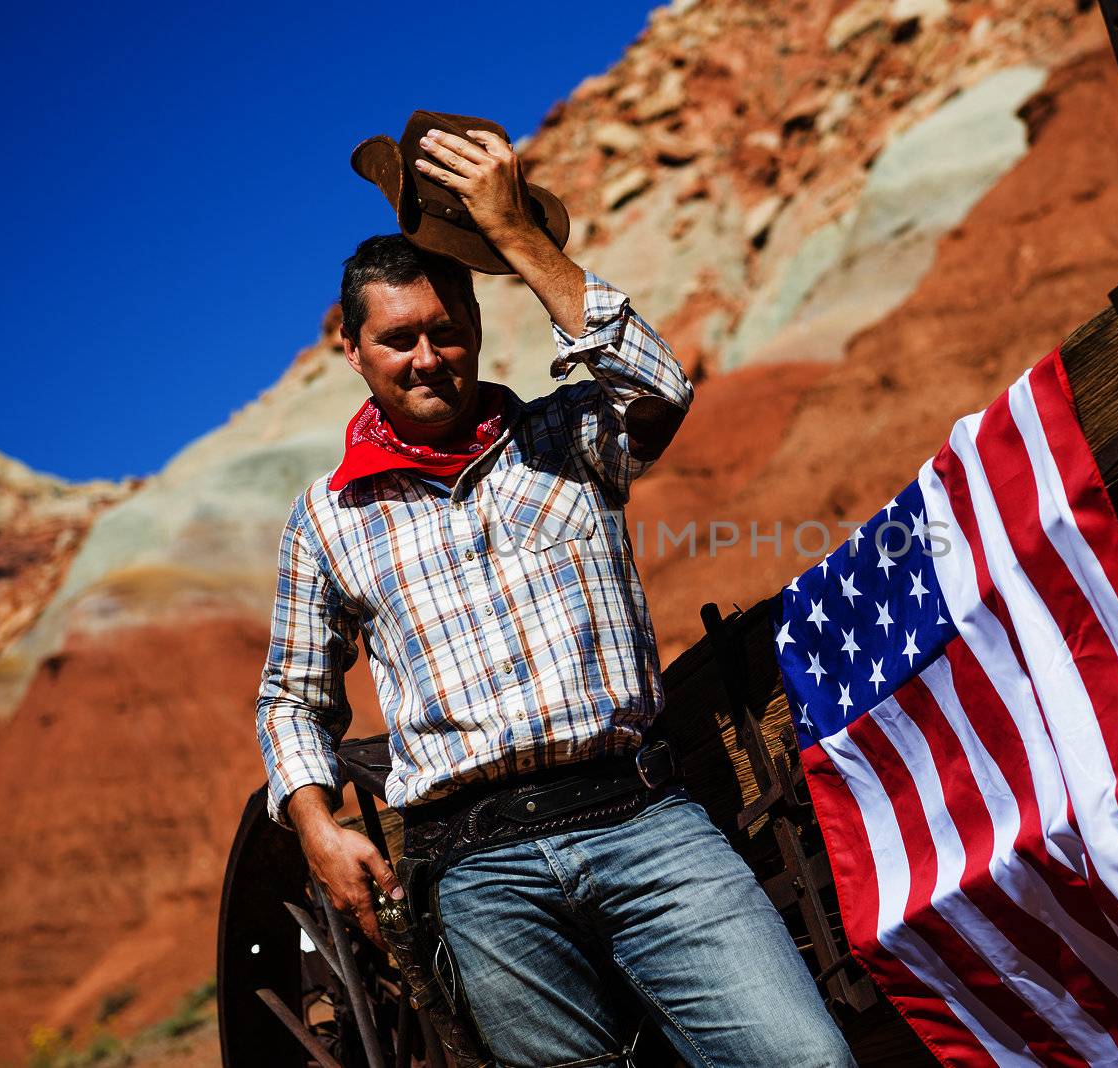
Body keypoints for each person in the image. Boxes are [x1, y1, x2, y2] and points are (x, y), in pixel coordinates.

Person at [255, 118, 855, 1068]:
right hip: (477, 866)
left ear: (478, 328)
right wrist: (318, 828)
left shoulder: (573, 433)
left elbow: (660, 383)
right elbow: (292, 697)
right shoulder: (325, 520)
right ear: (354, 353)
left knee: (806, 1059)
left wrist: (517, 238)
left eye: (447, 332)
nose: (427, 358)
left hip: (644, 824)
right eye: (398, 339)